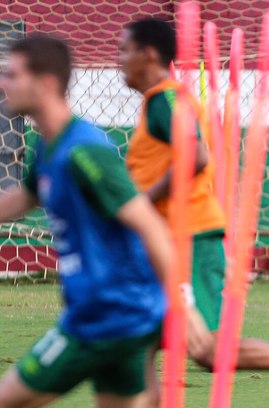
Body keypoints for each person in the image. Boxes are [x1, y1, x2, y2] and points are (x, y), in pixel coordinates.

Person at [119, 18, 269, 407]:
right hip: (162, 243)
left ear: (148, 54)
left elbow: (196, 156)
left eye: (124, 51)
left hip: (190, 239)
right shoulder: (156, 103)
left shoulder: (166, 99)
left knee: (208, 351)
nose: (119, 60)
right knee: (138, 339)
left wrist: (143, 201)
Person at [0, 35, 170, 408]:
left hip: (101, 318)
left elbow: (150, 225)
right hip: (121, 316)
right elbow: (23, 198)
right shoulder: (49, 145)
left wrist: (181, 306)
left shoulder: (85, 151)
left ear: (45, 83)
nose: (3, 83)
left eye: (12, 75)